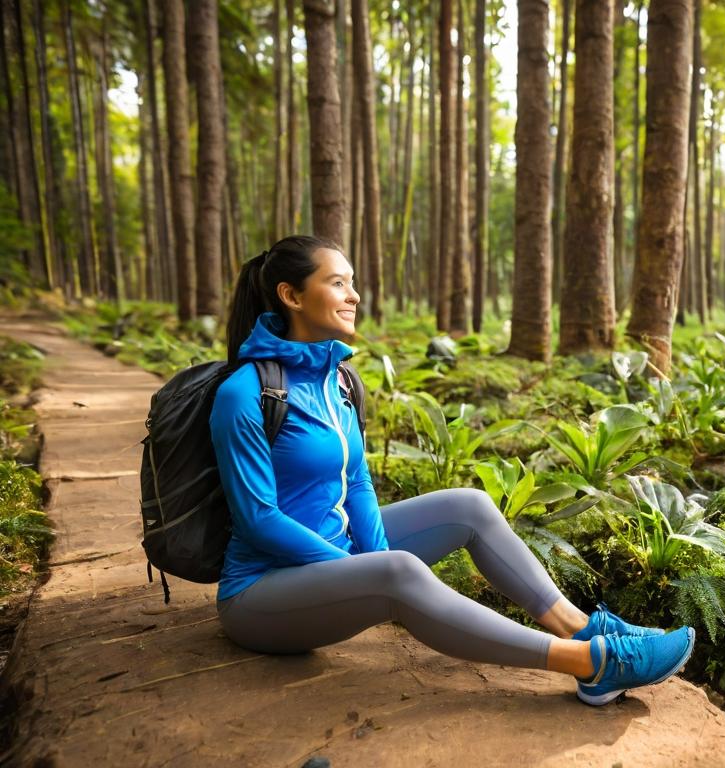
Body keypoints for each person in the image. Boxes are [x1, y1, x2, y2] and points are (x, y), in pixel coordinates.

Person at [211, 235, 694, 706]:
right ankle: (593, 663)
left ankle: (580, 626)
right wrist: (365, 571)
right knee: (397, 570)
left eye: (352, 282)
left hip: (339, 556)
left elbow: (356, 480)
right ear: (291, 295)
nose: (354, 295)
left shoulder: (337, 380)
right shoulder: (245, 394)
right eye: (337, 283)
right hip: (262, 594)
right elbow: (258, 519)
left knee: (469, 505)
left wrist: (371, 561)